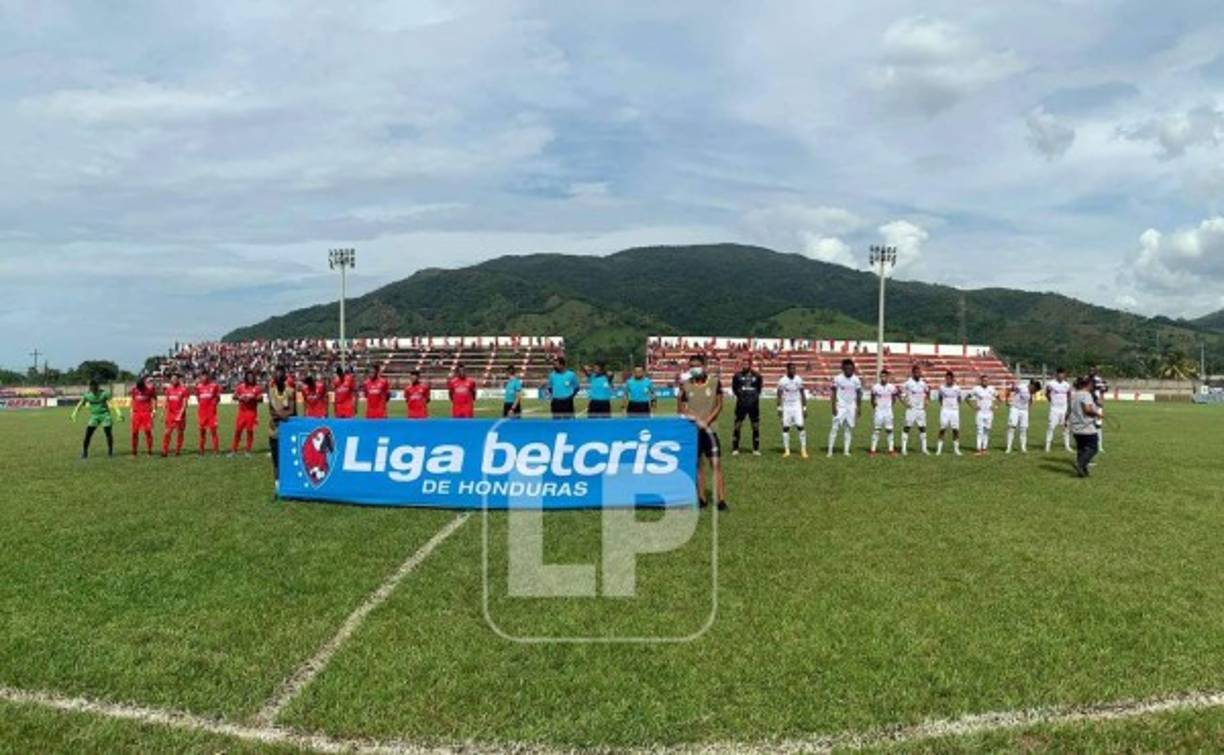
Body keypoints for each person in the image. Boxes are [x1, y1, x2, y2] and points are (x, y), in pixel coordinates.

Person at [679, 354, 728, 511]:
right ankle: (702, 499)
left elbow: (719, 405)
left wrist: (707, 420)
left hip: (710, 430)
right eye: (691, 365)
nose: (694, 368)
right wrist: (695, 419)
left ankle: (721, 501)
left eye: (697, 365)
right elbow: (680, 409)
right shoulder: (685, 385)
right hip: (693, 432)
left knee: (716, 464)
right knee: (699, 465)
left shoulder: (714, 382)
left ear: (704, 365)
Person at [73, 379, 118, 458]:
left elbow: (113, 403)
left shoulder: (104, 393)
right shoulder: (87, 395)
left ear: (97, 386)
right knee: (88, 434)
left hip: (105, 415)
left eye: (94, 386)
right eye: (91, 386)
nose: (92, 388)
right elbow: (80, 404)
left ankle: (110, 452)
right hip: (94, 416)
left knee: (108, 434)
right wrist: (74, 413)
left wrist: (119, 413)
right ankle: (84, 453)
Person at [267, 366, 297, 485]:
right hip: (273, 431)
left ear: (284, 378)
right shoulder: (270, 391)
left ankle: (289, 481)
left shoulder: (290, 391)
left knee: (288, 458)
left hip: (287, 431)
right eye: (276, 377)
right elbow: (271, 410)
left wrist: (281, 415)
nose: (278, 379)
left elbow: (292, 410)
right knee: (276, 459)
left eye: (281, 377)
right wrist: (282, 415)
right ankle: (277, 483)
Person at [827, 359, 862, 457]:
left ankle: (846, 451)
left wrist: (859, 408)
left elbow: (859, 394)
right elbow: (833, 393)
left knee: (848, 429)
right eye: (847, 368)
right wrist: (833, 406)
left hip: (851, 407)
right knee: (834, 428)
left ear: (853, 369)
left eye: (851, 368)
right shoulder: (838, 378)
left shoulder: (856, 380)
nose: (849, 370)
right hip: (840, 407)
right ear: (843, 369)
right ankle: (830, 451)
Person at [1069, 376, 1103, 477]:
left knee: (1081, 449)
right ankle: (1080, 464)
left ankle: (1082, 471)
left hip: (1075, 426)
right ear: (1089, 384)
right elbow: (1087, 410)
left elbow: (1069, 409)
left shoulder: (1074, 395)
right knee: (1093, 448)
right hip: (1086, 427)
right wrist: (1097, 414)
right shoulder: (1086, 394)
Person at [731, 358, 763, 456]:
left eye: (747, 363)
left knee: (755, 426)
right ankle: (735, 448)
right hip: (741, 405)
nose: (745, 365)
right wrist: (741, 397)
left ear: (750, 364)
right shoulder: (737, 376)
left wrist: (753, 397)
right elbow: (734, 389)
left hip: (753, 405)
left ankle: (756, 449)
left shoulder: (757, 376)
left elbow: (759, 389)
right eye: (743, 363)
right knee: (737, 425)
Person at [777, 363, 808, 458]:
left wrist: (804, 408)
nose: (793, 370)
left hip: (796, 406)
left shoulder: (798, 379)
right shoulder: (782, 381)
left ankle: (803, 449)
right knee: (786, 427)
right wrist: (779, 408)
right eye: (791, 369)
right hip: (786, 406)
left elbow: (802, 394)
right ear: (787, 370)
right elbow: (779, 394)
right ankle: (787, 450)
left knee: (800, 426)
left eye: (794, 369)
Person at [230, 370, 262, 456]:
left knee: (249, 431)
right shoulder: (241, 387)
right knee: (238, 431)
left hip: (251, 413)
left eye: (251, 377)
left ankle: (248, 451)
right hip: (242, 412)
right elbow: (234, 396)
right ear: (246, 378)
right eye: (248, 377)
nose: (250, 378)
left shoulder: (257, 388)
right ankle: (233, 450)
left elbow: (261, 399)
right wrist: (240, 397)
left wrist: (252, 398)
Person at [1006, 379, 1040, 454]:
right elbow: (1010, 389)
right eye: (1035, 390)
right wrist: (1007, 400)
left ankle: (1023, 448)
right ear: (1032, 386)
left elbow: (1030, 400)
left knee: (1023, 429)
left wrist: (1028, 406)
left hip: (1024, 411)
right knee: (1012, 428)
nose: (1035, 392)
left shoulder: (1031, 392)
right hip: (1015, 409)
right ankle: (1008, 448)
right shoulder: (1021, 387)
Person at [870, 369, 899, 457]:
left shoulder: (892, 387)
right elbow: (872, 399)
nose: (883, 378)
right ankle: (872, 451)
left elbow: (894, 398)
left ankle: (891, 450)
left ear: (888, 377)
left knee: (889, 430)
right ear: (880, 377)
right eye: (882, 376)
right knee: (876, 430)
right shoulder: (875, 387)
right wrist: (875, 407)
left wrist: (890, 406)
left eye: (885, 376)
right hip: (879, 412)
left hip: (888, 412)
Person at [1044, 368, 1074, 453]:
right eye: (1060, 374)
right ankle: (1047, 446)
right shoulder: (1051, 384)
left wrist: (1068, 408)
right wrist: (1052, 401)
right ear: (1056, 374)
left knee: (1066, 427)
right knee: (1051, 427)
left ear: (1065, 375)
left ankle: (1067, 446)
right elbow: (1047, 393)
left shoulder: (1067, 385)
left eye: (1063, 374)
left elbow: (1069, 396)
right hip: (1054, 409)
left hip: (1064, 409)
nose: (1061, 375)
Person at [161, 373, 190, 457]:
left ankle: (178, 450)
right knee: (167, 433)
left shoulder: (183, 390)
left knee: (180, 433)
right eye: (172, 379)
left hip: (180, 416)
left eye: (175, 379)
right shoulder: (168, 390)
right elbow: (166, 401)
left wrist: (180, 414)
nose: (173, 380)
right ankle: (164, 451)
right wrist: (163, 412)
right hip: (170, 415)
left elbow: (185, 404)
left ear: (178, 380)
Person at [935, 371, 963, 456]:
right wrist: (944, 406)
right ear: (945, 379)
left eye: (950, 378)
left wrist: (955, 406)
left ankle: (956, 450)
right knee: (942, 429)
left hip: (954, 411)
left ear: (953, 379)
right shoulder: (942, 388)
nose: (948, 380)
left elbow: (959, 399)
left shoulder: (957, 388)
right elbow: (939, 398)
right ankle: (939, 450)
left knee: (955, 430)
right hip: (945, 411)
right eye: (947, 378)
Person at [969, 375, 998, 456]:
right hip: (980, 413)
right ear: (980, 381)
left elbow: (999, 398)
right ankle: (978, 449)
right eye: (984, 380)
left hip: (989, 413)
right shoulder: (976, 389)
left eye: (987, 380)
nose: (985, 382)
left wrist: (995, 406)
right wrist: (974, 406)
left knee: (987, 431)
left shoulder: (991, 389)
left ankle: (984, 449)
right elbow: (967, 398)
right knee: (979, 431)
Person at [194, 370, 222, 454]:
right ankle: (201, 449)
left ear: (208, 377)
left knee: (213, 431)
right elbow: (198, 397)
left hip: (211, 413)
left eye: (205, 376)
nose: (204, 378)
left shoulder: (214, 386)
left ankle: (216, 449)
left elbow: (218, 398)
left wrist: (214, 404)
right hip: (202, 413)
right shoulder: (198, 387)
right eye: (202, 376)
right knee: (202, 431)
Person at [128, 376, 157, 457]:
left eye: (141, 387)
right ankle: (134, 452)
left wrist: (154, 410)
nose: (140, 389)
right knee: (134, 433)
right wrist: (131, 410)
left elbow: (154, 399)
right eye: (138, 387)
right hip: (136, 413)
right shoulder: (134, 389)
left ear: (143, 385)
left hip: (146, 413)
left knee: (148, 432)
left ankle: (149, 451)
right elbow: (132, 399)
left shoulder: (150, 389)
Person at [1088, 365, 1108, 452]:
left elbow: (1102, 392)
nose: (1091, 371)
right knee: (1087, 424)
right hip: (1088, 405)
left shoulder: (1101, 380)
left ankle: (1099, 446)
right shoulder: (1085, 379)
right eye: (1090, 370)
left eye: (1093, 370)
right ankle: (1088, 444)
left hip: (1098, 405)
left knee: (1098, 425)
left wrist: (1102, 401)